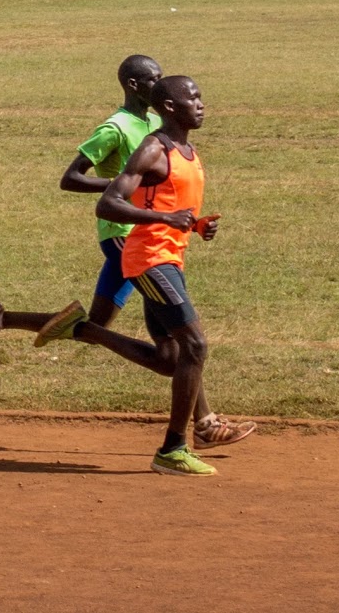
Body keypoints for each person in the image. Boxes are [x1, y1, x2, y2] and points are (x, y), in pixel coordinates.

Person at [0, 57, 251, 449]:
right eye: (153, 80)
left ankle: (2, 316)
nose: (161, 84)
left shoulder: (157, 126)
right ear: (135, 85)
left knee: (119, 332)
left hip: (152, 232)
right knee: (187, 342)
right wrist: (130, 192)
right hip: (124, 235)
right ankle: (202, 422)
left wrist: (185, 219)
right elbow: (72, 178)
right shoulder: (116, 128)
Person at [68, 76, 227, 476]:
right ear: (170, 107)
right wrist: (164, 218)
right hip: (147, 260)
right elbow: (108, 204)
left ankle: (85, 329)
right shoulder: (153, 149)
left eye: (200, 96)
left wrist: (193, 225)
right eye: (192, 98)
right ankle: (173, 449)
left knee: (169, 357)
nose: (201, 103)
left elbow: (172, 203)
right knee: (195, 345)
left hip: (170, 258)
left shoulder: (187, 150)